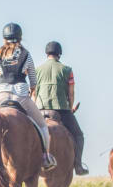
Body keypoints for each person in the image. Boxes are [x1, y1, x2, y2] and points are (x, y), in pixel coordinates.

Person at [0, 23, 57, 170]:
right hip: (21, 96)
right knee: (43, 126)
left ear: (4, 38)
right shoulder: (26, 54)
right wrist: (31, 89)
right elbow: (33, 80)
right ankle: (46, 157)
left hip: (1, 94)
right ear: (20, 38)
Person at [35, 41, 89, 175]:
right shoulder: (67, 70)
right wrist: (70, 108)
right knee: (79, 135)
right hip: (61, 109)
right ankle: (78, 166)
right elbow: (71, 93)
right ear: (59, 54)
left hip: (40, 110)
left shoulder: (37, 70)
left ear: (47, 53)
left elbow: (34, 92)